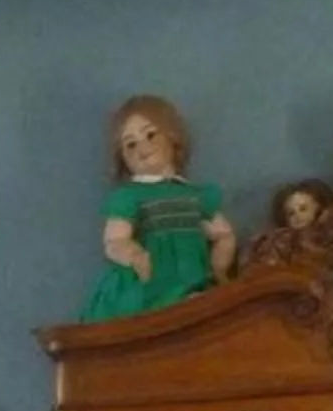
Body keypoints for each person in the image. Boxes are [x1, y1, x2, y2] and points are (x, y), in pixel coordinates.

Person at [80, 95, 236, 322]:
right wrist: (132, 253)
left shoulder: (194, 194)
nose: (142, 148)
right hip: (149, 280)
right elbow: (114, 240)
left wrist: (219, 269)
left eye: (151, 135)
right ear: (122, 156)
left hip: (192, 278)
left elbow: (223, 233)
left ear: (173, 136)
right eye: (130, 144)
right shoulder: (130, 195)